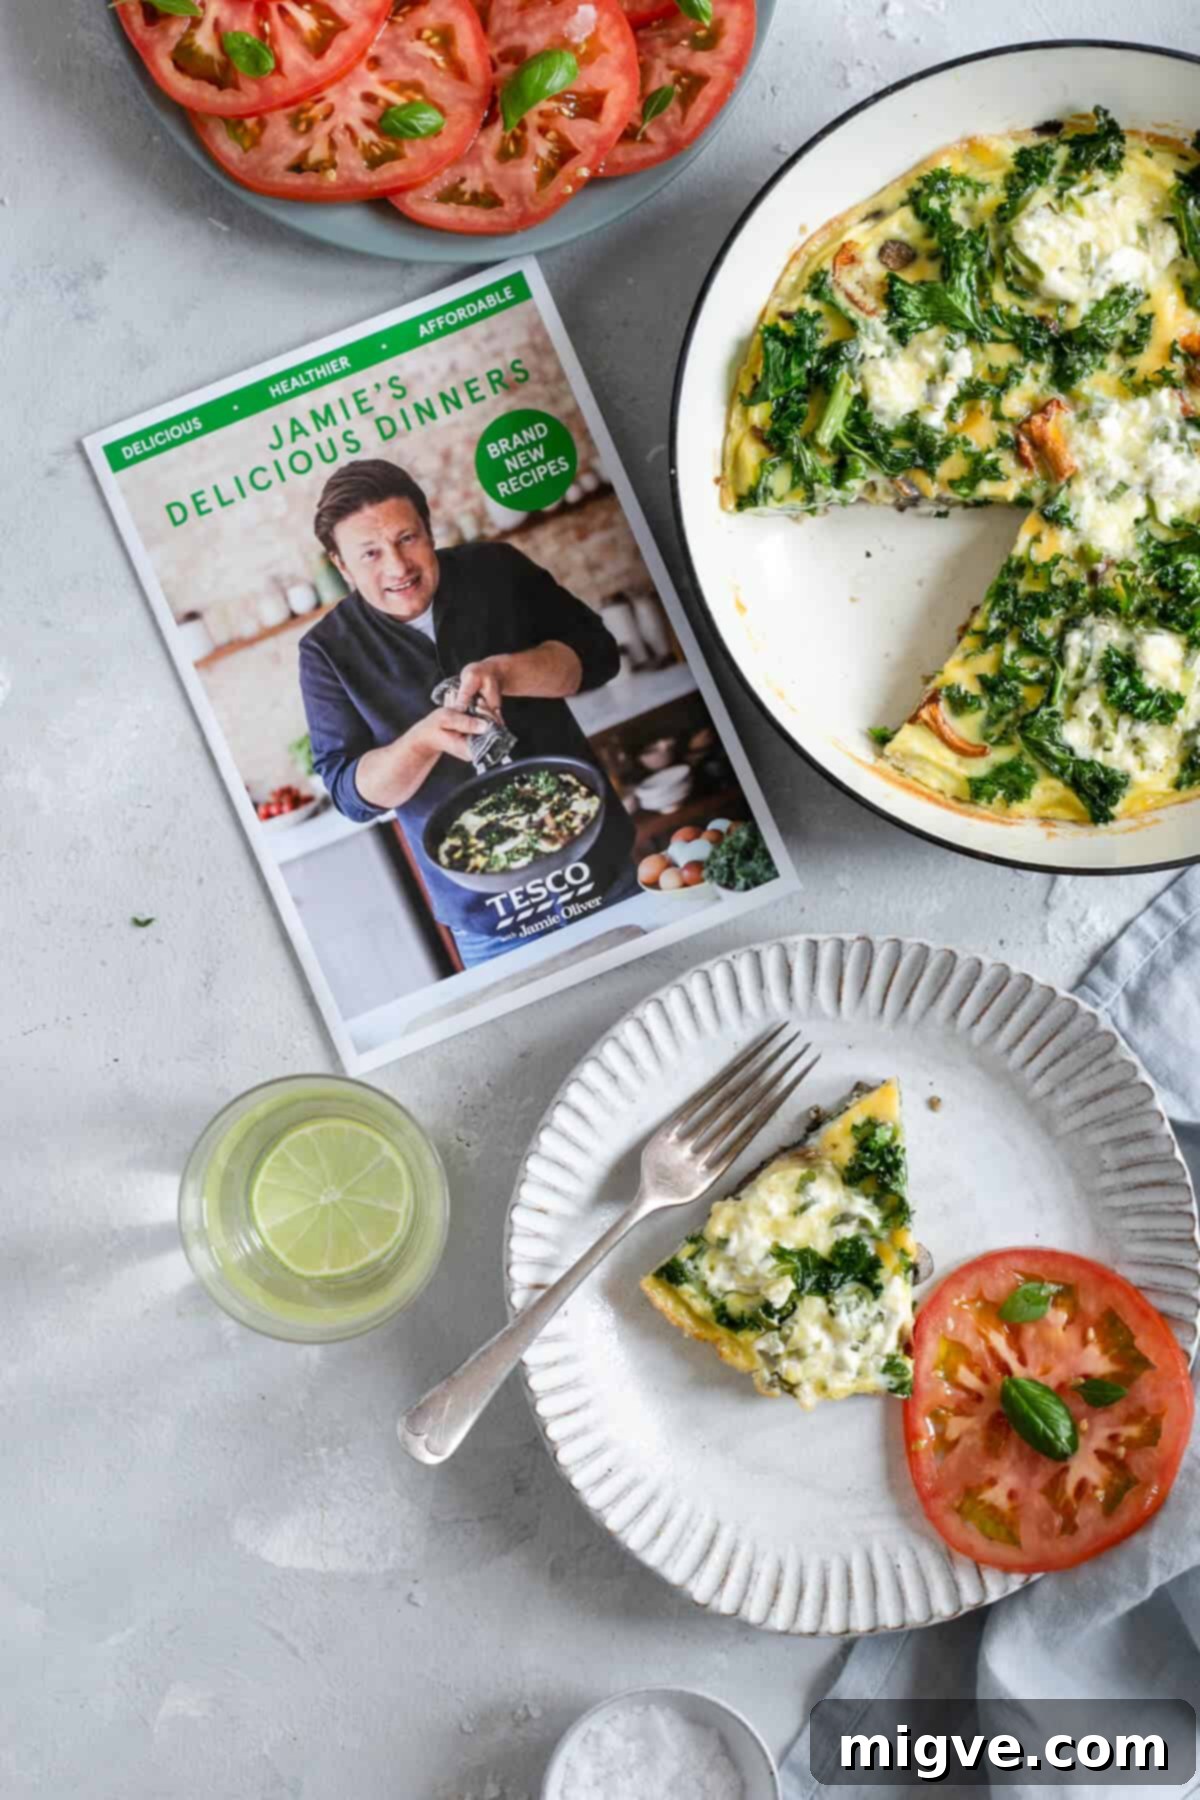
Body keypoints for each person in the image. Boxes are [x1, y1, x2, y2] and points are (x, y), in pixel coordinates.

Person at [298, 458, 637, 967]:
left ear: (429, 529)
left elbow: (599, 656)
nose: (397, 567)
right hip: (489, 921)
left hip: (597, 866)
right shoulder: (325, 652)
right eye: (369, 553)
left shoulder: (497, 568)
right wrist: (421, 742)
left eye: (407, 538)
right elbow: (352, 795)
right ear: (341, 566)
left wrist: (508, 672)